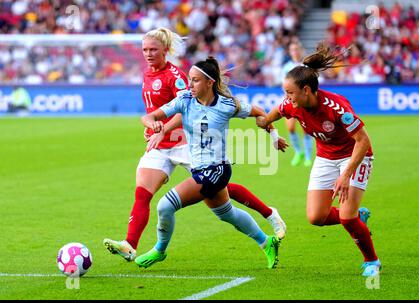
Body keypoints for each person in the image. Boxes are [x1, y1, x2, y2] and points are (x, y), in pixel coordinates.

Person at [103, 28, 287, 263]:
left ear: (165, 50)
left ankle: (268, 213)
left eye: (153, 50)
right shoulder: (160, 81)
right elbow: (169, 110)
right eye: (145, 50)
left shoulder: (189, 86)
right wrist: (153, 125)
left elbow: (189, 110)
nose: (148, 54)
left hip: (187, 145)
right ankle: (130, 244)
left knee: (174, 203)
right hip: (164, 147)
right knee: (219, 210)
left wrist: (272, 132)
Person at [135, 56, 283, 269]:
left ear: (209, 83)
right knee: (227, 214)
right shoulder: (185, 100)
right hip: (199, 170)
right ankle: (266, 242)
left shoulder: (226, 105)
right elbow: (150, 116)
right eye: (189, 79)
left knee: (164, 206)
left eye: (195, 80)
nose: (190, 85)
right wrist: (154, 125)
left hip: (217, 170)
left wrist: (274, 136)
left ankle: (159, 250)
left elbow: (260, 113)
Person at [257, 42, 381, 277]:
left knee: (346, 217)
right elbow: (267, 118)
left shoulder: (335, 108)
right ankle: (358, 216)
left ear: (306, 90)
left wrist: (345, 176)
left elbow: (362, 141)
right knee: (316, 217)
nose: (287, 98)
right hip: (326, 156)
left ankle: (372, 261)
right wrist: (269, 130)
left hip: (355, 155)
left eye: (290, 93)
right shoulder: (290, 105)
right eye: (285, 93)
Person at [281, 41, 313, 167]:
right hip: (290, 100)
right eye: (292, 49)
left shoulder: (306, 66)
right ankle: (298, 152)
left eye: (296, 49)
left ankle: (308, 156)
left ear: (300, 50)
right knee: (290, 127)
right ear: (290, 52)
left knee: (306, 129)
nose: (295, 51)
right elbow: (283, 84)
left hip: (304, 101)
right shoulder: (286, 67)